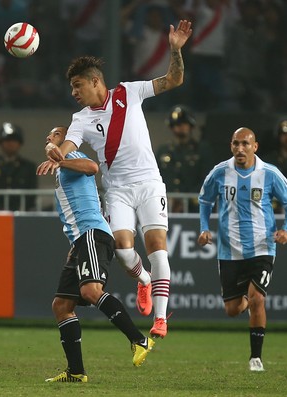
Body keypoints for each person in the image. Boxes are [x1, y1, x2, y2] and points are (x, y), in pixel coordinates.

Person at [44, 20, 193, 339]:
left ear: (95, 81)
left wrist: (175, 51)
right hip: (118, 192)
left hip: (150, 183)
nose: (74, 93)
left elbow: (173, 79)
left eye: (77, 86)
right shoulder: (80, 120)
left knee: (158, 249)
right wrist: (52, 149)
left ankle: (161, 318)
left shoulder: (130, 91)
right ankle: (144, 281)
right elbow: (67, 147)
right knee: (125, 251)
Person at [37, 126, 154, 383]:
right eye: (48, 136)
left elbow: (92, 167)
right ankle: (76, 372)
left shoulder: (73, 157)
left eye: (54, 134)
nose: (49, 138)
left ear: (66, 139)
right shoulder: (62, 167)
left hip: (93, 233)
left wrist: (58, 155)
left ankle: (140, 340)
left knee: (91, 291)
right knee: (62, 305)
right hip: (81, 239)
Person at [197, 127, 287, 371]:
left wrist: (286, 229)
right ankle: (247, 299)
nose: (240, 149)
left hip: (263, 247)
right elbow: (205, 200)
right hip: (229, 251)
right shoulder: (219, 172)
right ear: (231, 146)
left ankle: (255, 358)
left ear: (255, 146)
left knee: (258, 299)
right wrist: (204, 228)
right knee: (233, 309)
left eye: (245, 144)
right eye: (236, 144)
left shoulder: (270, 173)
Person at [156, 104, 212, 212]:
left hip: (194, 207)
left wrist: (185, 201)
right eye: (176, 124)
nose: (180, 127)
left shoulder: (202, 150)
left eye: (184, 123)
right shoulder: (163, 151)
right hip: (165, 206)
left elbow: (207, 180)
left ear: (191, 125)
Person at [0, 122, 37, 210]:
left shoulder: (28, 167)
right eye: (7, 140)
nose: (10, 143)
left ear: (19, 143)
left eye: (14, 140)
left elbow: (31, 195)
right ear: (0, 143)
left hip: (20, 215)